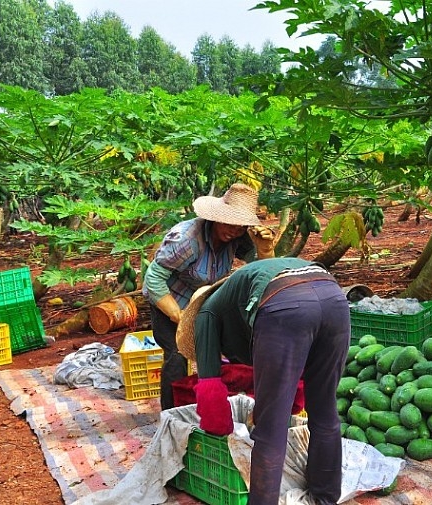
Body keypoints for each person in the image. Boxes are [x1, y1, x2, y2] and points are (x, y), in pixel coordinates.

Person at [175, 257, 350, 505]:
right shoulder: (239, 291)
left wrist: (219, 428)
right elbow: (295, 371)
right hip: (334, 299)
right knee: (324, 411)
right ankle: (325, 498)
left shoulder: (206, 313)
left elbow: (210, 389)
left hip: (284, 304)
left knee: (270, 428)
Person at [142, 183, 276, 410]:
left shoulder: (238, 237)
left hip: (204, 300)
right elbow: (153, 279)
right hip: (170, 301)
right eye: (229, 224)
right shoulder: (186, 240)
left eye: (240, 227)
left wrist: (265, 249)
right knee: (177, 356)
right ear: (216, 217)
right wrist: (180, 316)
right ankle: (172, 415)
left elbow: (263, 271)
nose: (234, 231)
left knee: (234, 348)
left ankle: (233, 405)